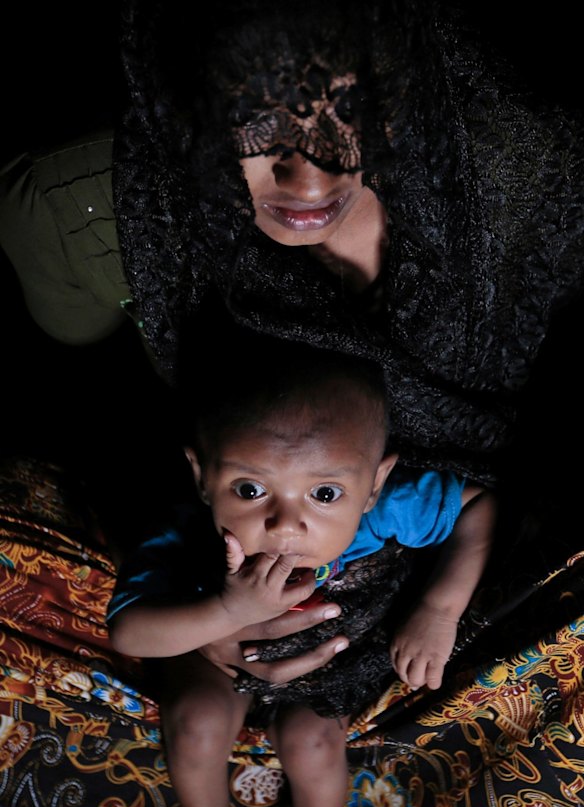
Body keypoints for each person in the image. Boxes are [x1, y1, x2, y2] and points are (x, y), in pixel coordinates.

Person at [1, 0, 583, 688]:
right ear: (190, 100)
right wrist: (209, 618)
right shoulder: (89, 215)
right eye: (257, 122)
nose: (308, 182)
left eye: (351, 112)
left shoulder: (525, 174)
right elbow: (91, 410)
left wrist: (439, 601)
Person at [107, 327, 493, 807]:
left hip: (330, 667)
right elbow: (128, 631)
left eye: (325, 495)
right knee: (196, 727)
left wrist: (439, 611)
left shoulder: (382, 513)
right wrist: (228, 611)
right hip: (218, 662)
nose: (285, 525)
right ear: (202, 476)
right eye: (249, 489)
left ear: (374, 484)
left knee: (312, 745)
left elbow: (479, 505)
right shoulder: (185, 534)